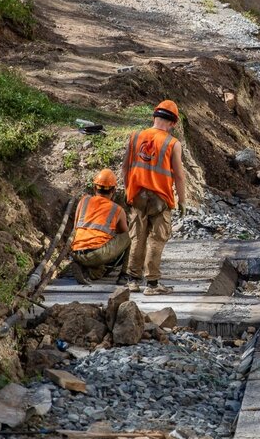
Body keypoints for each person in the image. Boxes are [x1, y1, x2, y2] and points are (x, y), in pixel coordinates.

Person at [122, 100, 187, 296]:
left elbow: (125, 167)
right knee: (156, 239)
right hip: (160, 198)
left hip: (137, 196)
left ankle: (132, 280)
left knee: (137, 238)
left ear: (154, 117)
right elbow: (179, 175)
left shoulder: (135, 137)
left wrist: (128, 191)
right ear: (173, 123)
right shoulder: (172, 143)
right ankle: (152, 284)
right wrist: (182, 201)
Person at [69, 169, 130, 285]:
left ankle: (85, 268)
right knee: (129, 236)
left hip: (76, 252)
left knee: (98, 254)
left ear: (94, 188)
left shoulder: (83, 201)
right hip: (97, 255)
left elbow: (76, 226)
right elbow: (123, 234)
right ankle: (125, 275)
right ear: (113, 190)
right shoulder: (117, 209)